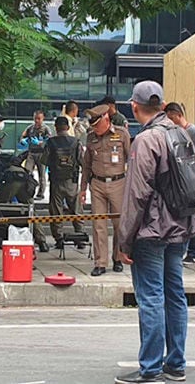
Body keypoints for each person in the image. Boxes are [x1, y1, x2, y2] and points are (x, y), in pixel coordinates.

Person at [115, 81, 190, 384]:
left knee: (151, 298)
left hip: (151, 230)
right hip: (179, 226)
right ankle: (176, 364)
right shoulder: (180, 133)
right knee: (175, 295)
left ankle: (150, 369)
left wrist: (124, 239)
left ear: (134, 106)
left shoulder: (145, 140)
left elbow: (137, 194)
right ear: (161, 105)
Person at [80, 104, 131, 276]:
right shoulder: (90, 137)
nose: (94, 128)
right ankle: (100, 262)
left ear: (106, 119)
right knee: (98, 225)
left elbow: (132, 161)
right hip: (98, 185)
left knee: (119, 224)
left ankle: (117, 258)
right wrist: (83, 188)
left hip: (118, 183)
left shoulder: (122, 135)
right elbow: (86, 165)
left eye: (96, 124)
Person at [164, 102, 195, 264]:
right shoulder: (173, 133)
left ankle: (194, 251)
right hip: (178, 179)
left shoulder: (192, 131)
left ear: (177, 115)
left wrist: (184, 161)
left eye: (171, 118)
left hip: (190, 179)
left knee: (192, 214)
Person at [40, 116, 84, 249]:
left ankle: (59, 239)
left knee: (56, 211)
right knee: (76, 209)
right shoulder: (76, 142)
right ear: (68, 127)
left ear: (56, 127)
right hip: (72, 181)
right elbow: (82, 161)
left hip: (56, 181)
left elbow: (44, 160)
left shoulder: (51, 142)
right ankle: (80, 237)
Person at [21, 110, 52, 199]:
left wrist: (39, 143)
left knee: (41, 174)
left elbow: (49, 141)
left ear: (43, 119)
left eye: (39, 118)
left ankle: (41, 193)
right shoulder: (30, 128)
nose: (37, 121)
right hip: (31, 153)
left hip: (41, 153)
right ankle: (27, 191)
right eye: (35, 118)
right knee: (27, 171)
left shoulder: (46, 129)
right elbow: (23, 137)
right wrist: (23, 141)